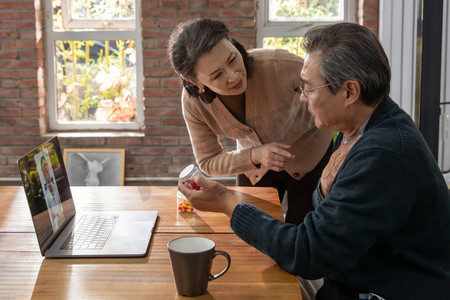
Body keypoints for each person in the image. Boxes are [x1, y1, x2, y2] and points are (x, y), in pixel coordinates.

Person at [178, 22, 450, 299]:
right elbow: (331, 223)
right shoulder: (362, 127)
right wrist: (323, 189)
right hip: (357, 274)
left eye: (307, 88)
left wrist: (227, 202)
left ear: (349, 92)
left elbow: (307, 253)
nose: (303, 99)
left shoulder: (381, 155)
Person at [167, 17, 334, 225]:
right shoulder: (194, 103)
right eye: (217, 75)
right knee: (250, 229)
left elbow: (337, 96)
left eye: (232, 59)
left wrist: (345, 147)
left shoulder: (279, 65)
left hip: (312, 157)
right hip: (255, 166)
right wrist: (255, 155)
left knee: (304, 230)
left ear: (232, 43)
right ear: (195, 82)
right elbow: (208, 161)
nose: (234, 76)